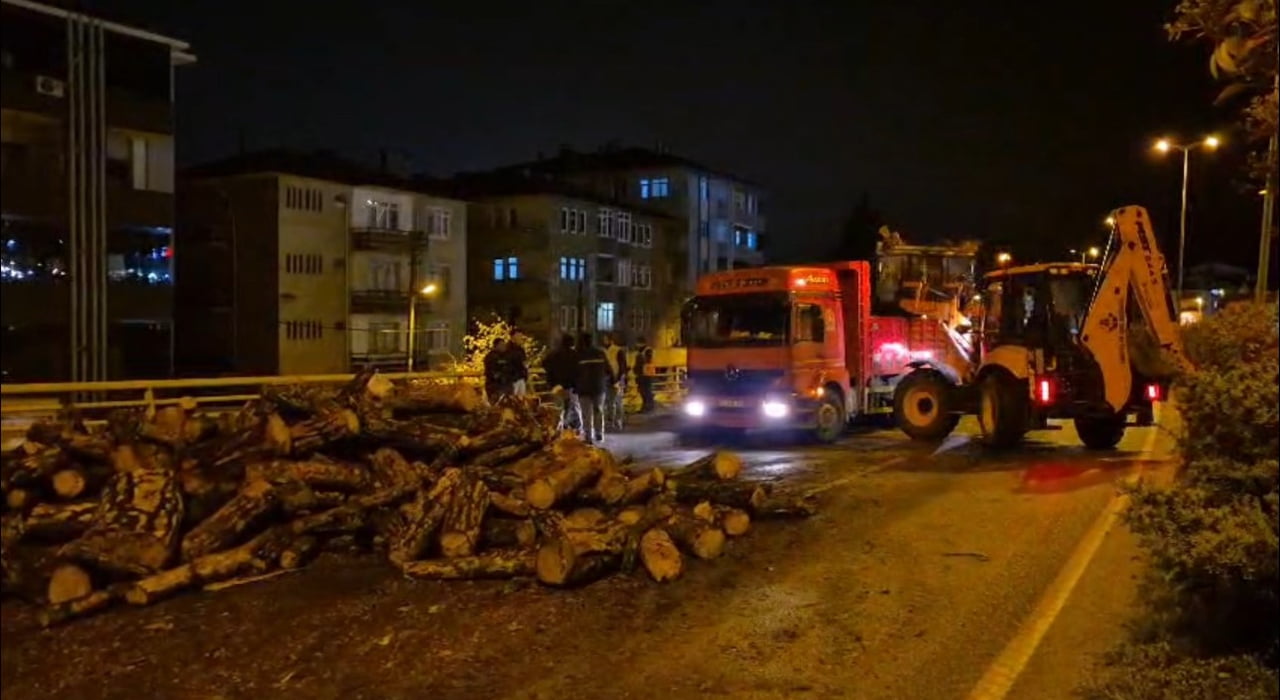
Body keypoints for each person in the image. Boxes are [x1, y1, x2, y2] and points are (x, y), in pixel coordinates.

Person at [574, 332, 612, 444]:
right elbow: (608, 370)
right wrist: (608, 380)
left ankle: (588, 436)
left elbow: (574, 373)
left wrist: (575, 385)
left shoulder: (578, 355)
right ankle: (599, 434)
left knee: (586, 414)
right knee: (598, 411)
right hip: (599, 387)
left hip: (583, 388)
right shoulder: (600, 353)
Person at [542, 333, 581, 432]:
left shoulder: (553, 354)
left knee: (558, 409)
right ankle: (570, 427)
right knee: (572, 408)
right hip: (571, 386)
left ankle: (558, 429)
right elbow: (579, 371)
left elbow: (545, 364)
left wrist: (551, 379)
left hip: (556, 386)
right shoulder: (575, 355)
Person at [602, 333, 629, 431]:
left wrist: (620, 379)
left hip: (617, 379)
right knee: (609, 401)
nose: (604, 341)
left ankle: (618, 421)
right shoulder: (603, 351)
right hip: (607, 379)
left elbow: (623, 366)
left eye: (606, 339)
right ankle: (610, 421)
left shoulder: (618, 350)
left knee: (618, 401)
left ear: (611, 340)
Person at [483, 338, 515, 403]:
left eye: (504, 345)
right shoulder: (490, 357)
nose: (504, 347)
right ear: (496, 346)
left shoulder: (507, 356)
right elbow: (491, 372)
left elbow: (511, 368)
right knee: (497, 403)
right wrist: (499, 375)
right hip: (495, 386)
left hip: (507, 384)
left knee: (509, 403)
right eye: (501, 345)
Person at [634, 336, 656, 414]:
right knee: (642, 391)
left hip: (647, 375)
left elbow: (647, 361)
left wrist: (640, 359)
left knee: (647, 391)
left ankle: (649, 407)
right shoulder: (639, 352)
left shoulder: (648, 350)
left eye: (638, 343)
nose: (637, 345)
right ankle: (646, 406)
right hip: (641, 374)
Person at [507, 329, 530, 397]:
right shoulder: (508, 349)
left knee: (522, 397)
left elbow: (524, 361)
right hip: (513, 378)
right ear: (513, 337)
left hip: (521, 376)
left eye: (521, 336)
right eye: (518, 336)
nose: (520, 338)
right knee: (513, 397)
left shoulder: (520, 349)